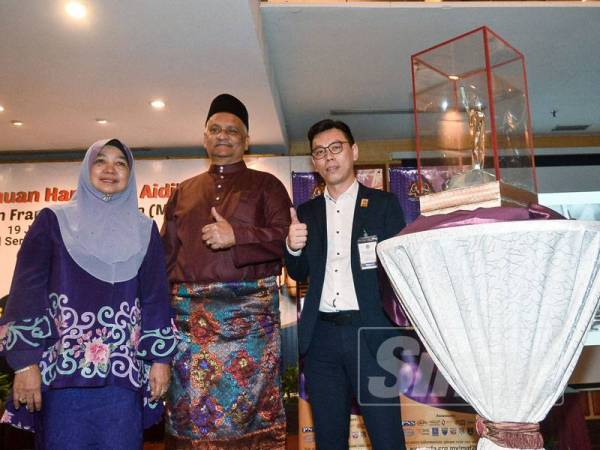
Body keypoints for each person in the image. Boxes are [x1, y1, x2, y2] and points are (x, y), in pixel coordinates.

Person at [0, 139, 177, 449]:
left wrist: (161, 359)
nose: (110, 169)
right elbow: (26, 292)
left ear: (130, 173)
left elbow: (155, 297)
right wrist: (25, 363)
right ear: (86, 168)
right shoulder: (52, 221)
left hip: (122, 380)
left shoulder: (144, 228)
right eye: (101, 161)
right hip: (64, 380)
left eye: (121, 163)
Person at [161, 94, 291, 448]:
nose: (223, 135)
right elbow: (165, 258)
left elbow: (288, 241)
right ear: (204, 137)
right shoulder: (183, 193)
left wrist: (239, 236)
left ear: (246, 140)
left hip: (249, 328)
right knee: (190, 417)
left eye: (233, 131)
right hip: (191, 330)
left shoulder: (268, 186)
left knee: (249, 419)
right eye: (215, 129)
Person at [285, 119, 407, 450]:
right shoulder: (306, 212)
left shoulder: (383, 204)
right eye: (320, 152)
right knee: (329, 439)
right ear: (314, 162)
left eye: (336, 147)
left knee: (387, 437)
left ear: (353, 151)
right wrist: (292, 246)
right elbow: (298, 273)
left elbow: (400, 272)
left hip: (370, 334)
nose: (329, 157)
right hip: (321, 338)